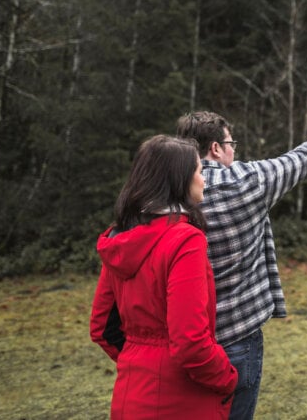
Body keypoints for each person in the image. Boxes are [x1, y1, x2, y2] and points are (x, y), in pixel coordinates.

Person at [176, 111, 307, 420]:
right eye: (231, 143)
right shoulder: (249, 181)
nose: (234, 150)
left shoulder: (165, 191)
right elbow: (303, 158)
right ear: (215, 148)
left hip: (182, 342)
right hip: (238, 339)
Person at [90, 135, 238, 419]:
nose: (203, 180)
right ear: (178, 180)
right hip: (180, 401)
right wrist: (227, 377)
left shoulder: (121, 236)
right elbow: (190, 341)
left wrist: (140, 358)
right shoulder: (185, 240)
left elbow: (102, 327)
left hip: (130, 396)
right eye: (197, 171)